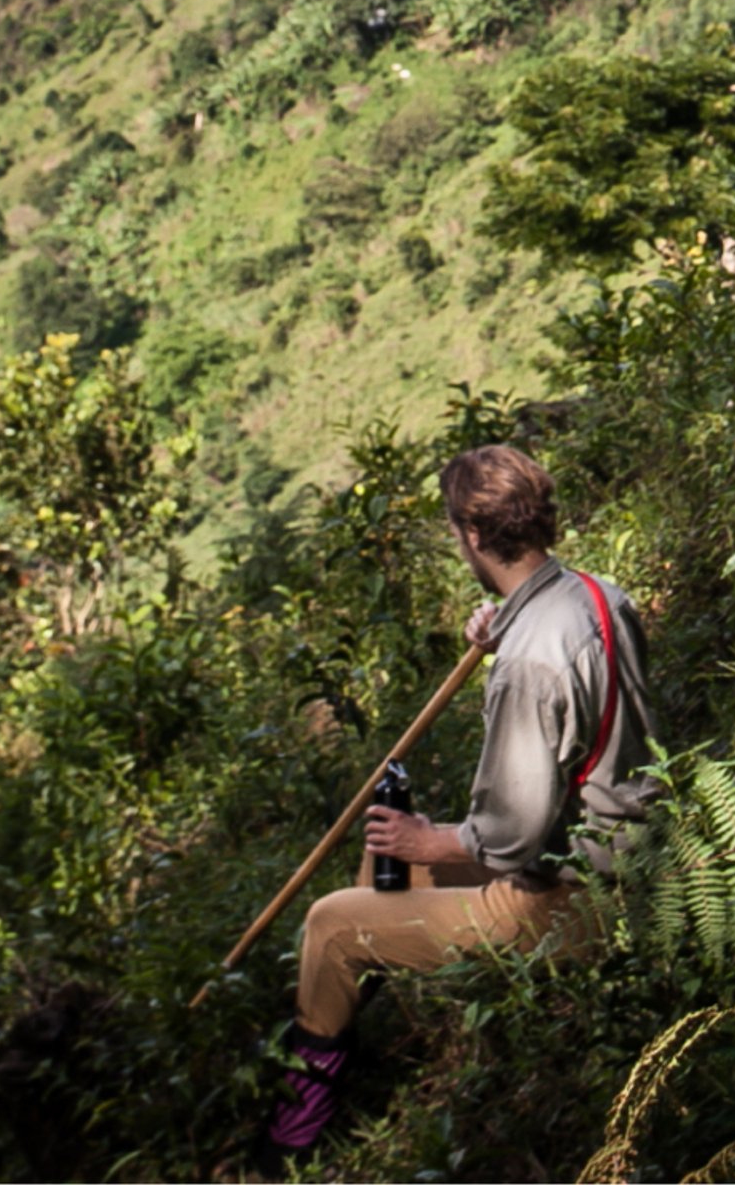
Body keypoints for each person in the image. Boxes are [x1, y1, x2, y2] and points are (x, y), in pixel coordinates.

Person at [267, 443, 653, 1157]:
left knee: (329, 924)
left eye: (453, 530)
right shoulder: (597, 596)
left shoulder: (528, 662)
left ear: (473, 535)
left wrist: (431, 839)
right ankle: (367, 1021)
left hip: (573, 900)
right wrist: (500, 622)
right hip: (635, 859)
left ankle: (293, 1138)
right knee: (382, 868)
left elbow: (512, 836)